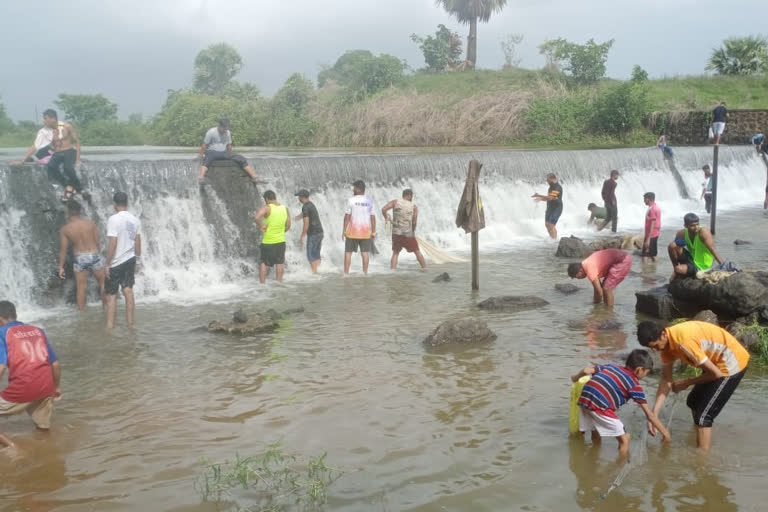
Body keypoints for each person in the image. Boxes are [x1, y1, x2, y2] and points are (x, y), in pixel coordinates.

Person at [637, 320, 749, 451]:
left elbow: (716, 374)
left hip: (731, 364)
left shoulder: (683, 343)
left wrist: (686, 382)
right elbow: (666, 380)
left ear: (663, 334)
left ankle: (701, 459)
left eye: (656, 346)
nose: (655, 350)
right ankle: (701, 435)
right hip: (715, 363)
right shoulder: (666, 345)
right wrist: (654, 414)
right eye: (651, 348)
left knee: (703, 417)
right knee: (693, 402)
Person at [571, 349, 670, 458]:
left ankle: (593, 457)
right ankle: (619, 466)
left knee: (596, 431)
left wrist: (575, 378)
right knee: (625, 439)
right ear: (639, 370)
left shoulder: (612, 367)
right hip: (600, 404)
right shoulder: (634, 385)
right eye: (646, 372)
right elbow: (650, 415)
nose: (645, 376)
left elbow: (587, 371)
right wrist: (666, 434)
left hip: (585, 398)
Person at [0, 301, 62, 449]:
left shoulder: (2, 333)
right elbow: (55, 364)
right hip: (46, 387)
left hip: (23, 389)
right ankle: (46, 454)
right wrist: (57, 387)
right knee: (43, 428)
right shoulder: (37, 330)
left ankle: (13, 447)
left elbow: (1, 367)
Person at [58, 200, 107, 310]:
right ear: (80, 211)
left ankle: (82, 313)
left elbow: (63, 250)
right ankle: (106, 308)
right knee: (103, 283)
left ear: (69, 212)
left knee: (81, 287)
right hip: (94, 255)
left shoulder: (65, 229)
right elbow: (98, 242)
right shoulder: (90, 223)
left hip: (80, 257)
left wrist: (61, 267)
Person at [105, 192, 142, 330]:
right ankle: (130, 326)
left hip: (116, 262)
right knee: (128, 291)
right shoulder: (135, 219)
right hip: (130, 259)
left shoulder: (113, 219)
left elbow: (113, 242)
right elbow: (138, 242)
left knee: (111, 295)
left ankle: (109, 329)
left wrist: (107, 263)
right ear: (127, 203)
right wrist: (137, 259)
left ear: (115, 204)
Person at [198, 119, 263, 183]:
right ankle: (201, 177)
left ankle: (254, 177)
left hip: (223, 153)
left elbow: (229, 145)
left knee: (240, 158)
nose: (225, 130)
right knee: (207, 159)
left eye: (227, 128)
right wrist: (200, 155)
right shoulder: (211, 132)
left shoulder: (227, 132)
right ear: (220, 126)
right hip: (212, 152)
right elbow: (204, 145)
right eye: (224, 128)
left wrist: (230, 155)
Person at [41, 110, 87, 202]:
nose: (44, 121)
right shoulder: (47, 130)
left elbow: (77, 142)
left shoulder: (67, 126)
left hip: (69, 151)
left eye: (46, 119)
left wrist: (78, 158)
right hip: (58, 153)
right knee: (50, 166)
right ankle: (67, 186)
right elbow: (51, 145)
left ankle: (79, 188)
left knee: (68, 168)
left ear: (52, 118)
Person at [567, 248, 632, 307]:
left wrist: (595, 306)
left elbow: (599, 292)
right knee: (604, 287)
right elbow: (598, 288)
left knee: (607, 288)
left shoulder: (589, 268)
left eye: (577, 277)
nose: (578, 279)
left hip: (623, 260)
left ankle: (609, 313)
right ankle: (606, 309)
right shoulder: (586, 263)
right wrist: (596, 304)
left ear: (580, 271)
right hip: (622, 257)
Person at [667, 213, 723, 281]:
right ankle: (676, 272)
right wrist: (674, 272)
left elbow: (713, 249)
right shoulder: (682, 233)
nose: (696, 227)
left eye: (697, 224)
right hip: (691, 259)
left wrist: (723, 265)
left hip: (702, 265)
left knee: (679, 269)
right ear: (685, 226)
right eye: (692, 225)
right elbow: (674, 249)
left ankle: (679, 271)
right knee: (672, 245)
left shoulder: (703, 232)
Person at [381, 188, 426, 270]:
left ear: (403, 195)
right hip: (408, 233)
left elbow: (384, 209)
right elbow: (414, 221)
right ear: (410, 196)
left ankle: (392, 271)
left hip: (396, 232)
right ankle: (424, 268)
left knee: (395, 253)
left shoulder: (395, 202)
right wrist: (413, 231)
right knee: (417, 251)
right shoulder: (414, 206)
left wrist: (386, 218)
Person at [255, 190, 290, 283]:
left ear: (266, 199)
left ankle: (262, 284)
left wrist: (261, 226)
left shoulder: (267, 208)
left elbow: (257, 217)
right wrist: (281, 231)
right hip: (281, 241)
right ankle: (279, 283)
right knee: (279, 263)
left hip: (268, 242)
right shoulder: (284, 208)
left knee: (263, 263)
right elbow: (288, 226)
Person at [343, 180, 376, 275]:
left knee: (348, 253)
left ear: (358, 189)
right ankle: (365, 273)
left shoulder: (351, 200)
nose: (353, 189)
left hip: (352, 232)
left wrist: (344, 231)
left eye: (354, 188)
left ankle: (346, 274)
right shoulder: (369, 201)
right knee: (365, 253)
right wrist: (373, 231)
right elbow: (373, 218)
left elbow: (347, 217)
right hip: (365, 233)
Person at [295, 190, 323, 274]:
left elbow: (306, 223)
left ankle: (315, 274)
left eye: (299, 197)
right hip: (320, 232)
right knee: (316, 254)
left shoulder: (305, 207)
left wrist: (302, 236)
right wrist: (296, 218)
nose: (298, 199)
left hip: (313, 233)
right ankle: (318, 272)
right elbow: (305, 214)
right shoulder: (310, 204)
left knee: (311, 255)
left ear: (302, 197)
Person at [531, 173, 563, 239]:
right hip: (550, 207)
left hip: (557, 208)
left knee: (551, 225)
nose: (546, 181)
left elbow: (550, 198)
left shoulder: (557, 187)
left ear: (552, 178)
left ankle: (554, 240)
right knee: (547, 224)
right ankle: (552, 239)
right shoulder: (551, 187)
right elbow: (550, 198)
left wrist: (539, 195)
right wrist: (540, 198)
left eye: (547, 179)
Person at [642, 192, 661, 263]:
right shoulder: (655, 207)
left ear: (648, 199)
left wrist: (648, 238)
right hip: (654, 233)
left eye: (644, 199)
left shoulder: (652, 209)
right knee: (650, 253)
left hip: (651, 235)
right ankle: (652, 270)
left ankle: (645, 272)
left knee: (647, 255)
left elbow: (653, 223)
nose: (644, 201)